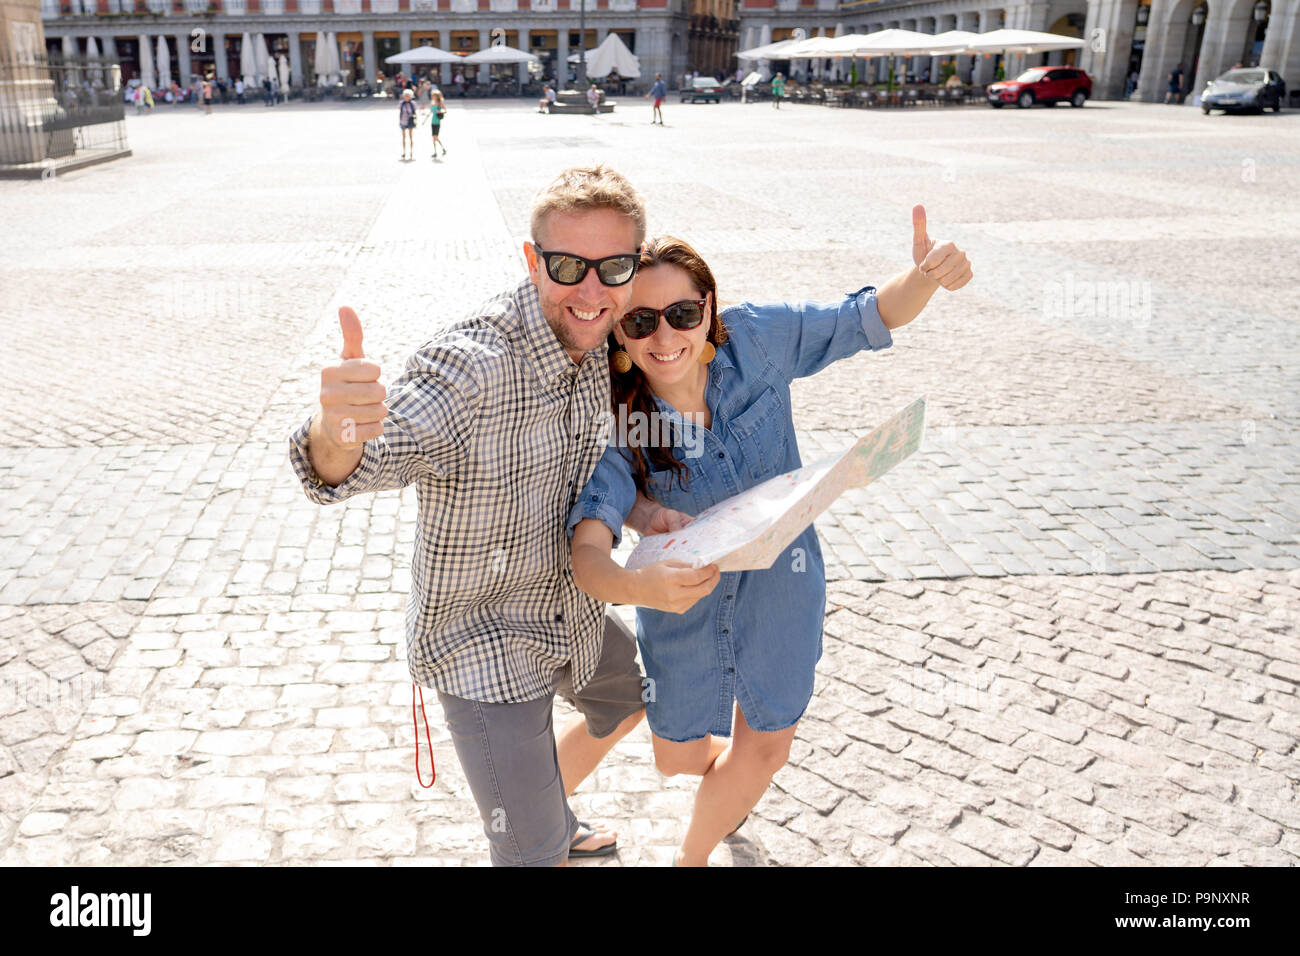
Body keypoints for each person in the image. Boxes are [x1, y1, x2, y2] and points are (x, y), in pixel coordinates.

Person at [289, 165, 684, 867]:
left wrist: (645, 509)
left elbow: (597, 463)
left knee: (635, 695)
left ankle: (549, 815)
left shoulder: (601, 345)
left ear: (633, 269)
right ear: (532, 261)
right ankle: (537, 834)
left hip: (568, 607)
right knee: (528, 857)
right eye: (567, 266)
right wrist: (336, 432)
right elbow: (374, 455)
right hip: (481, 644)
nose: (591, 291)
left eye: (613, 267)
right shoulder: (470, 367)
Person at [567, 212, 973, 867]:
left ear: (710, 308)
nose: (664, 336)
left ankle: (693, 856)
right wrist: (639, 580)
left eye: (681, 313)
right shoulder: (615, 418)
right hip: (683, 603)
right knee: (679, 757)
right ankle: (723, 793)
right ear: (618, 331)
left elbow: (865, 317)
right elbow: (588, 549)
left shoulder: (756, 338)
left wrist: (924, 279)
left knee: (768, 741)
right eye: (640, 322)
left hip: (783, 582)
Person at [398, 88, 417, 159]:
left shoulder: (413, 104)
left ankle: (411, 152)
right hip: (403, 121)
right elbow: (400, 112)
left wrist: (416, 121)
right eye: (405, 95)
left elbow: (415, 113)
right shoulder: (401, 103)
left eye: (408, 95)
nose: (406, 97)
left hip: (410, 122)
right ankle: (404, 152)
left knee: (411, 137)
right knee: (404, 137)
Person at [429, 88, 447, 159]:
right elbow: (431, 112)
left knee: (435, 137)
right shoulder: (432, 103)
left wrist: (439, 112)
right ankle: (436, 151)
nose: (433, 97)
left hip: (437, 122)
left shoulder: (440, 103)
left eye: (434, 96)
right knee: (434, 137)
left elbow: (445, 110)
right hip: (432, 121)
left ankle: (441, 149)